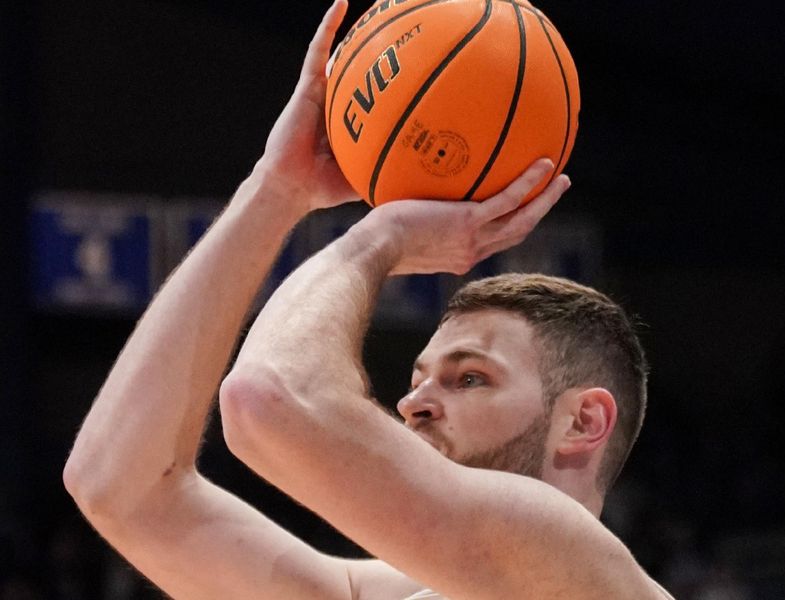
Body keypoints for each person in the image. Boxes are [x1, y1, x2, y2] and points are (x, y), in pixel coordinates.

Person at [63, 1, 674, 598]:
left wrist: (380, 236)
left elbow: (267, 399)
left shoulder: (583, 576)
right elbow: (119, 487)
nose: (413, 404)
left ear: (582, 422)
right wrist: (276, 190)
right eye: (419, 378)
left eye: (469, 379)